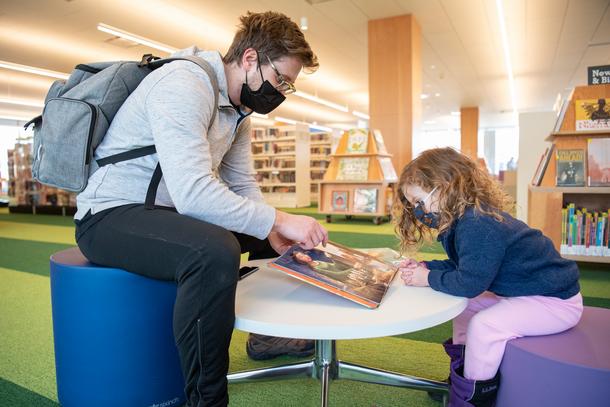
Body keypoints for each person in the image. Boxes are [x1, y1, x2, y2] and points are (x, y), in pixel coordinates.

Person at [74, 11, 328, 407]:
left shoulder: (239, 111)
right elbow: (194, 193)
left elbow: (242, 187)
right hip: (109, 214)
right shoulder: (185, 83)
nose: (280, 92)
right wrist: (280, 219)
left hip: (165, 213)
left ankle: (267, 339)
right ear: (249, 59)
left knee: (264, 228)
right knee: (213, 253)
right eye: (280, 79)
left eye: (288, 87)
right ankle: (206, 400)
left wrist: (272, 226)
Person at [391, 147, 583, 407]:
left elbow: (470, 282)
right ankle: (463, 379)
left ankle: (472, 399)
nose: (417, 210)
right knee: (465, 309)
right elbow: (463, 264)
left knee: (484, 325)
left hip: (554, 301)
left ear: (445, 187)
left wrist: (427, 278)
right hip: (524, 292)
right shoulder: (463, 219)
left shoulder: (477, 223)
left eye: (419, 201)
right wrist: (428, 267)